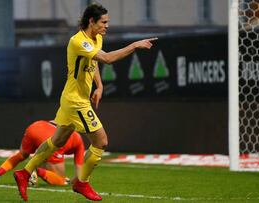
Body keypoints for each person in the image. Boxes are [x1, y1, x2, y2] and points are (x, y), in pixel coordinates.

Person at [13, 3, 157, 201]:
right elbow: (105, 58)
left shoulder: (96, 38)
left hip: (71, 97)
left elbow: (94, 61)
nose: (107, 26)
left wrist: (99, 86)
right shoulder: (78, 41)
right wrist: (134, 45)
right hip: (76, 101)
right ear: (92, 21)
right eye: (104, 22)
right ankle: (81, 182)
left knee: (57, 141)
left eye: (108, 22)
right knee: (101, 141)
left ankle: (25, 173)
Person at [0, 120, 84, 186]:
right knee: (61, 180)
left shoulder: (71, 130)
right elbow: (79, 175)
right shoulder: (78, 142)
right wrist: (72, 181)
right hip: (52, 136)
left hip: (36, 126)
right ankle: (33, 170)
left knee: (22, 155)